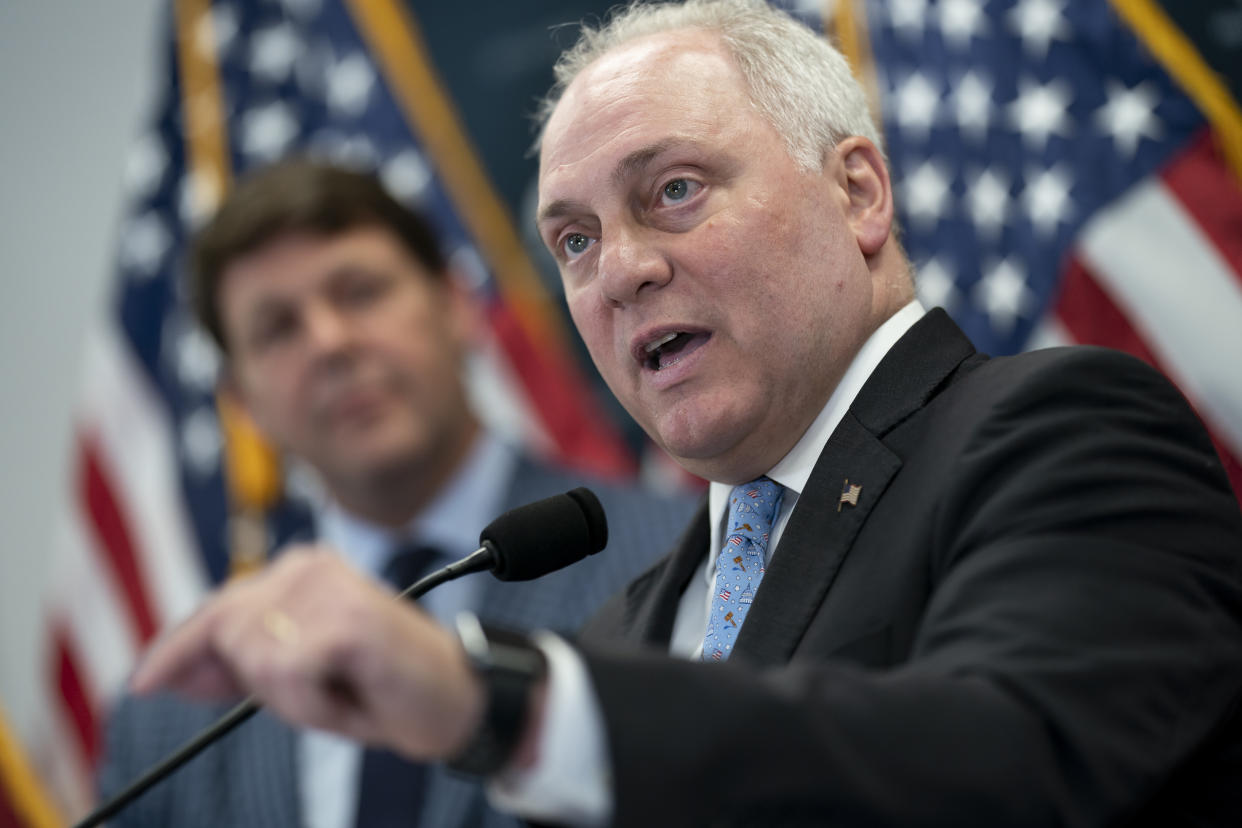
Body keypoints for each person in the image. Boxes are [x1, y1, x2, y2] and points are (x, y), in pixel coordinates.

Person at [128, 2, 1242, 826]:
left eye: (673, 191)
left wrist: (499, 701)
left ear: (857, 191)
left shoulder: (1059, 433)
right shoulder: (633, 622)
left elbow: (1010, 766)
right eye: (572, 240)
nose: (618, 271)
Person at [97, 159, 696, 828]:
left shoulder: (684, 563)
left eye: (359, 293)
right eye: (277, 328)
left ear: (456, 307)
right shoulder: (171, 715)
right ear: (243, 405)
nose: (330, 343)